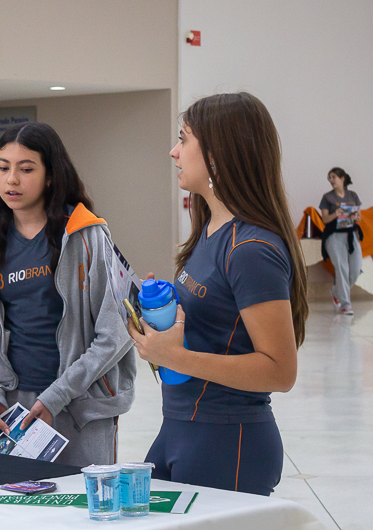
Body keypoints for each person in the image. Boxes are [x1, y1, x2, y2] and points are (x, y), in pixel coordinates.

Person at [127, 92, 308, 497]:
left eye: (183, 139)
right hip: (183, 427)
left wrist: (175, 357)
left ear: (217, 155)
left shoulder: (251, 250)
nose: (174, 152)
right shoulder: (211, 230)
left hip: (227, 439)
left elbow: (281, 371)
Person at [0, 122, 136, 467]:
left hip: (80, 403)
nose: (11, 180)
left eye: (26, 169)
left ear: (51, 176)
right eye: (3, 167)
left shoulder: (86, 235)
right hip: (14, 409)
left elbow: (116, 333)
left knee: (80, 500)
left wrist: (57, 395)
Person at [319, 167, 362, 315]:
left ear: (342, 178)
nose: (331, 180)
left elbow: (359, 216)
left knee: (356, 270)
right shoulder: (327, 198)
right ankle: (345, 305)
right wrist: (335, 214)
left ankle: (336, 292)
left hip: (351, 235)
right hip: (334, 236)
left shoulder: (353, 195)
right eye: (329, 178)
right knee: (341, 268)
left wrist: (356, 217)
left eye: (333, 177)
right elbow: (325, 219)